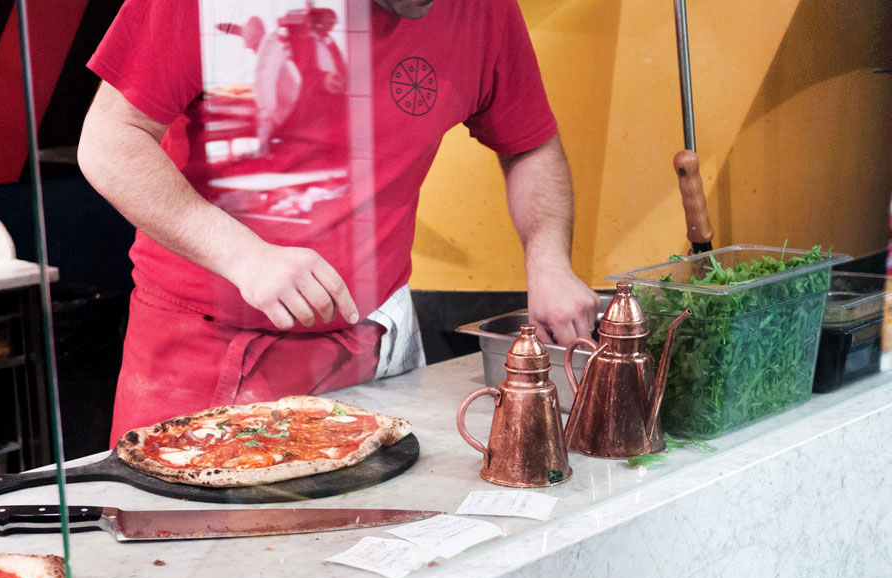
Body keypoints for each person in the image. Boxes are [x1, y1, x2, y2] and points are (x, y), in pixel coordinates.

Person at [79, 0, 599, 443]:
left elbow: (529, 143)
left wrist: (548, 261)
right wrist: (244, 255)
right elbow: (110, 141)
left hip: (378, 343)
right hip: (207, 350)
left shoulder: (482, 9)